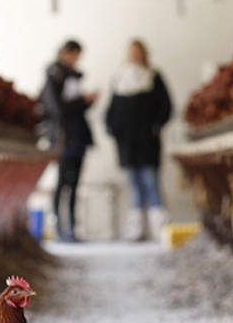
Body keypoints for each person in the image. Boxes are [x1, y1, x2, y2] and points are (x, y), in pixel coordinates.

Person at [105, 39, 172, 241]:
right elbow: (112, 111)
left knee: (150, 181)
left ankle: (160, 228)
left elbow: (166, 107)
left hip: (147, 141)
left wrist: (154, 127)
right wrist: (114, 130)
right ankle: (138, 230)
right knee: (133, 184)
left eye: (137, 52)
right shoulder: (119, 79)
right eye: (130, 52)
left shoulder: (153, 77)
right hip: (127, 143)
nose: (133, 56)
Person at [40, 39, 97, 242]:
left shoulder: (73, 77)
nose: (76, 60)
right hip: (64, 137)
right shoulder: (54, 76)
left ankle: (71, 227)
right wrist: (82, 101)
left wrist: (86, 103)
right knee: (63, 181)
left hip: (77, 135)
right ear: (65, 53)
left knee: (74, 184)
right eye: (74, 55)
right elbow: (58, 110)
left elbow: (72, 109)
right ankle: (59, 227)